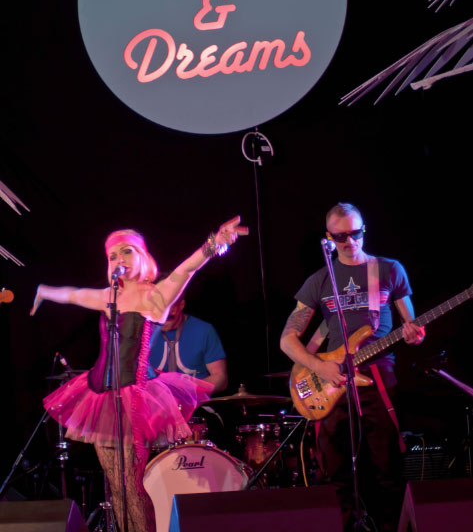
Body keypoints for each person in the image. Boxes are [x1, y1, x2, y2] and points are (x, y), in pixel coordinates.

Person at [30, 216, 248, 532]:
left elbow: (185, 270)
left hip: (135, 397)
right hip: (98, 395)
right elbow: (74, 294)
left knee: (131, 484)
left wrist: (213, 245)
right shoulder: (108, 297)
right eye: (112, 255)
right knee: (115, 488)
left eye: (127, 251)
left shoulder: (155, 295)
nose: (119, 259)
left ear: (142, 255)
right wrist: (43, 291)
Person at [280, 203, 424, 532]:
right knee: (334, 469)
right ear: (329, 238)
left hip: (379, 376)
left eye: (355, 233)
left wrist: (415, 334)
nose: (350, 241)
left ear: (364, 231)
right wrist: (319, 367)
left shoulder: (388, 269)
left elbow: (412, 327)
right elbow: (287, 340)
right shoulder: (319, 280)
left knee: (387, 465)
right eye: (340, 236)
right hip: (334, 379)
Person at [148, 296, 228, 391]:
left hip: (196, 399)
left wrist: (189, 392)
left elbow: (219, 377)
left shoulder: (204, 330)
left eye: (169, 308)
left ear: (181, 305)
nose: (163, 320)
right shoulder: (144, 333)